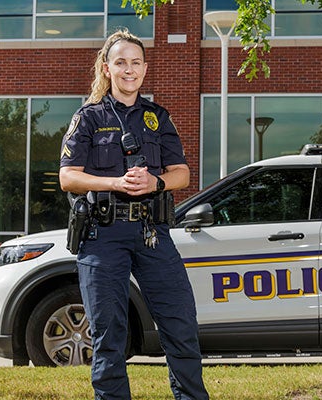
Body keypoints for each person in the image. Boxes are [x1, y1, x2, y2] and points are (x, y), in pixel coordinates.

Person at [59, 29, 209, 400]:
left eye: (136, 62)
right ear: (107, 68)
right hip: (103, 235)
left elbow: (182, 173)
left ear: (145, 68)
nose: (130, 70)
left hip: (152, 232)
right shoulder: (89, 117)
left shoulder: (158, 117)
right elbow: (68, 176)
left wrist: (154, 183)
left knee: (181, 325)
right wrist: (116, 184)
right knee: (109, 335)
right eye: (121, 62)